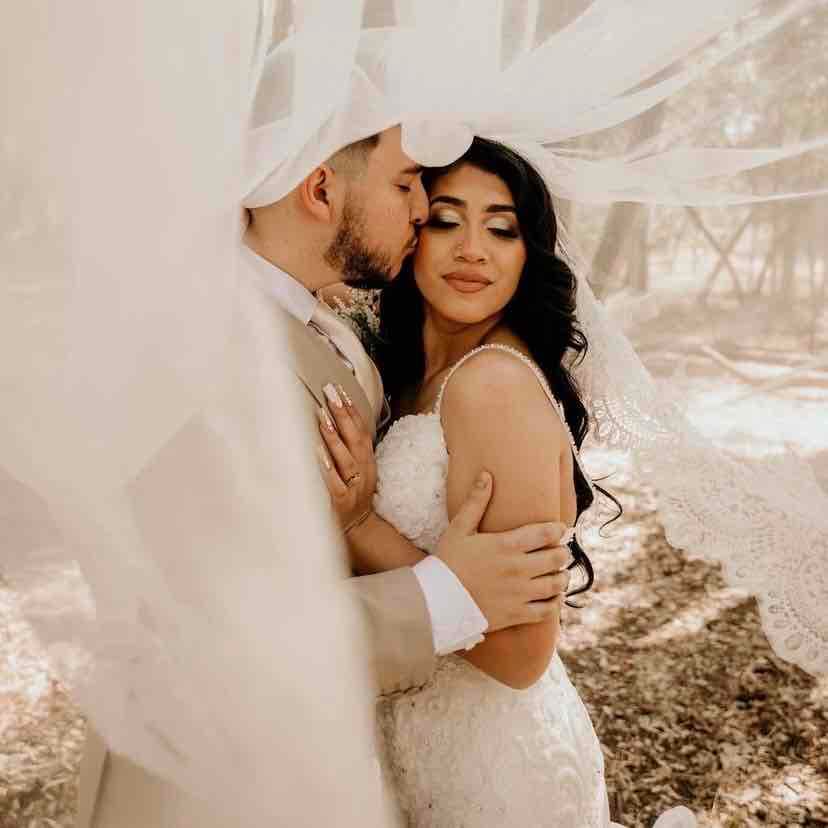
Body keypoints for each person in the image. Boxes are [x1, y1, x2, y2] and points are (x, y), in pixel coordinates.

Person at [75, 125, 576, 828]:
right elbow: (201, 640)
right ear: (319, 188)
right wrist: (442, 593)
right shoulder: (200, 355)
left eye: (500, 229)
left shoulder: (333, 332)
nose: (418, 211)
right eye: (410, 189)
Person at [317, 137, 696, 828]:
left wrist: (360, 528)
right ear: (411, 233)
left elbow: (523, 655)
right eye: (446, 220)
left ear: (530, 256)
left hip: (493, 771)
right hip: (412, 751)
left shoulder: (492, 384)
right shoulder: (406, 375)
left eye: (502, 229)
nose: (473, 250)